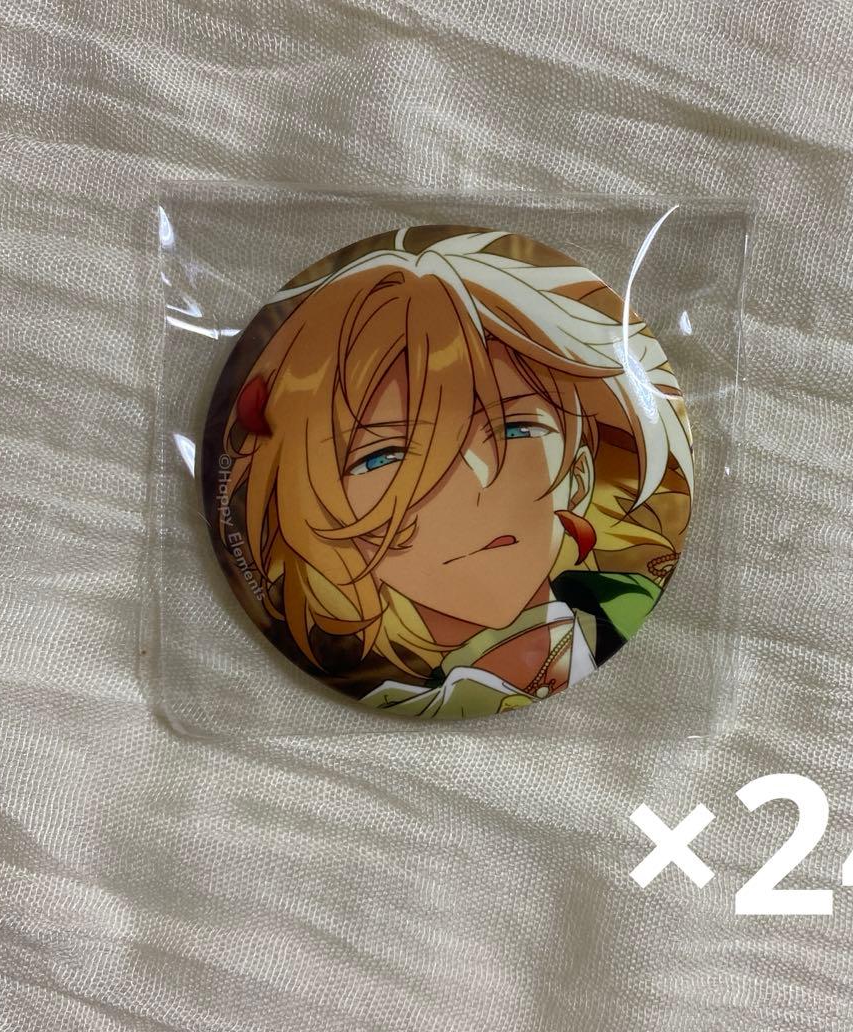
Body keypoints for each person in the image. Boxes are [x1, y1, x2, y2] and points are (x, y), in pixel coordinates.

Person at [216, 227, 692, 718]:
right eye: (383, 457)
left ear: (581, 475)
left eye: (515, 429)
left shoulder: (634, 621)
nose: (472, 487)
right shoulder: (370, 689)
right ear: (315, 508)